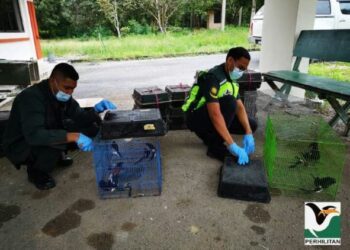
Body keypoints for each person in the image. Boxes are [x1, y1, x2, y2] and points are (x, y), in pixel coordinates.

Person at [3, 63, 116, 190]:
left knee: (90, 128)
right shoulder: (30, 97)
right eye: (67, 88)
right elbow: (34, 135)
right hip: (21, 143)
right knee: (58, 141)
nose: (70, 93)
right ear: (53, 81)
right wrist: (75, 136)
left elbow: (80, 117)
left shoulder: (63, 96)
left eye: (73, 89)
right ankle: (36, 172)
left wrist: (95, 110)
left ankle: (55, 157)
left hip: (47, 130)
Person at [182, 47, 257, 165]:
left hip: (211, 117)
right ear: (230, 61)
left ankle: (211, 137)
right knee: (230, 102)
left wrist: (248, 133)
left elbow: (240, 107)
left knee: (251, 124)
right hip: (195, 117)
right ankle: (215, 147)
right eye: (241, 68)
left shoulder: (232, 80)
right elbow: (215, 114)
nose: (241, 72)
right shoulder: (213, 77)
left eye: (244, 69)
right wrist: (232, 144)